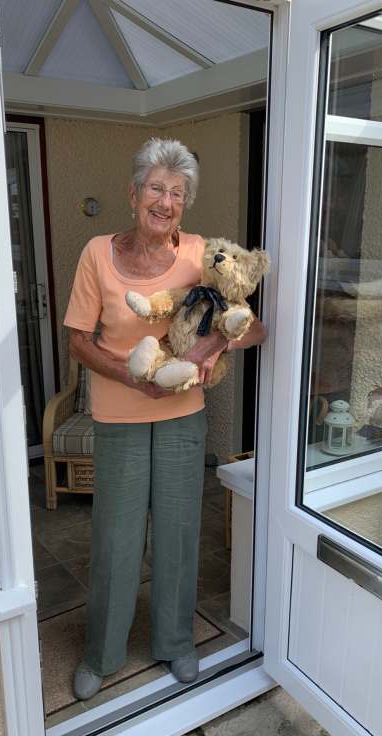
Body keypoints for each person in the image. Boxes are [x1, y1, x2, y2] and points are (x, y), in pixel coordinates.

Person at [64, 138, 267, 700]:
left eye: (178, 193)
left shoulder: (202, 254)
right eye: (156, 188)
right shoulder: (97, 254)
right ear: (133, 194)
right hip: (118, 415)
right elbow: (79, 341)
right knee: (115, 539)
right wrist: (131, 377)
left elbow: (250, 327)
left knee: (179, 534)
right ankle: (102, 652)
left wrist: (213, 348)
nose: (166, 201)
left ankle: (176, 641)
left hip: (183, 416)